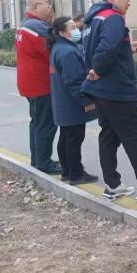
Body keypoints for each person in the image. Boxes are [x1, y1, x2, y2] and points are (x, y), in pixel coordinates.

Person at [82, 0, 137, 202]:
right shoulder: (113, 18)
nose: (129, 2)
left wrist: (126, 48)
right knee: (134, 136)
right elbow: (106, 48)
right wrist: (98, 69)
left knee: (109, 135)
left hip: (101, 90)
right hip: (115, 89)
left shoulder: (92, 20)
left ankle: (112, 184)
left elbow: (100, 47)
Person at [48, 16, 99, 185]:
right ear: (62, 32)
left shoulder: (59, 47)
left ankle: (67, 171)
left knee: (66, 137)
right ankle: (76, 174)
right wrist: (86, 100)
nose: (76, 28)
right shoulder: (68, 51)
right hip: (72, 103)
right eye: (71, 27)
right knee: (74, 139)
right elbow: (74, 81)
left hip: (64, 102)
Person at [15, 0, 61, 174]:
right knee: (46, 124)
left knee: (37, 122)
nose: (50, 7)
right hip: (40, 84)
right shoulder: (38, 28)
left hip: (29, 83)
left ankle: (37, 160)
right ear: (35, 7)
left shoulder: (25, 25)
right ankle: (43, 162)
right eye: (47, 4)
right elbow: (52, 53)